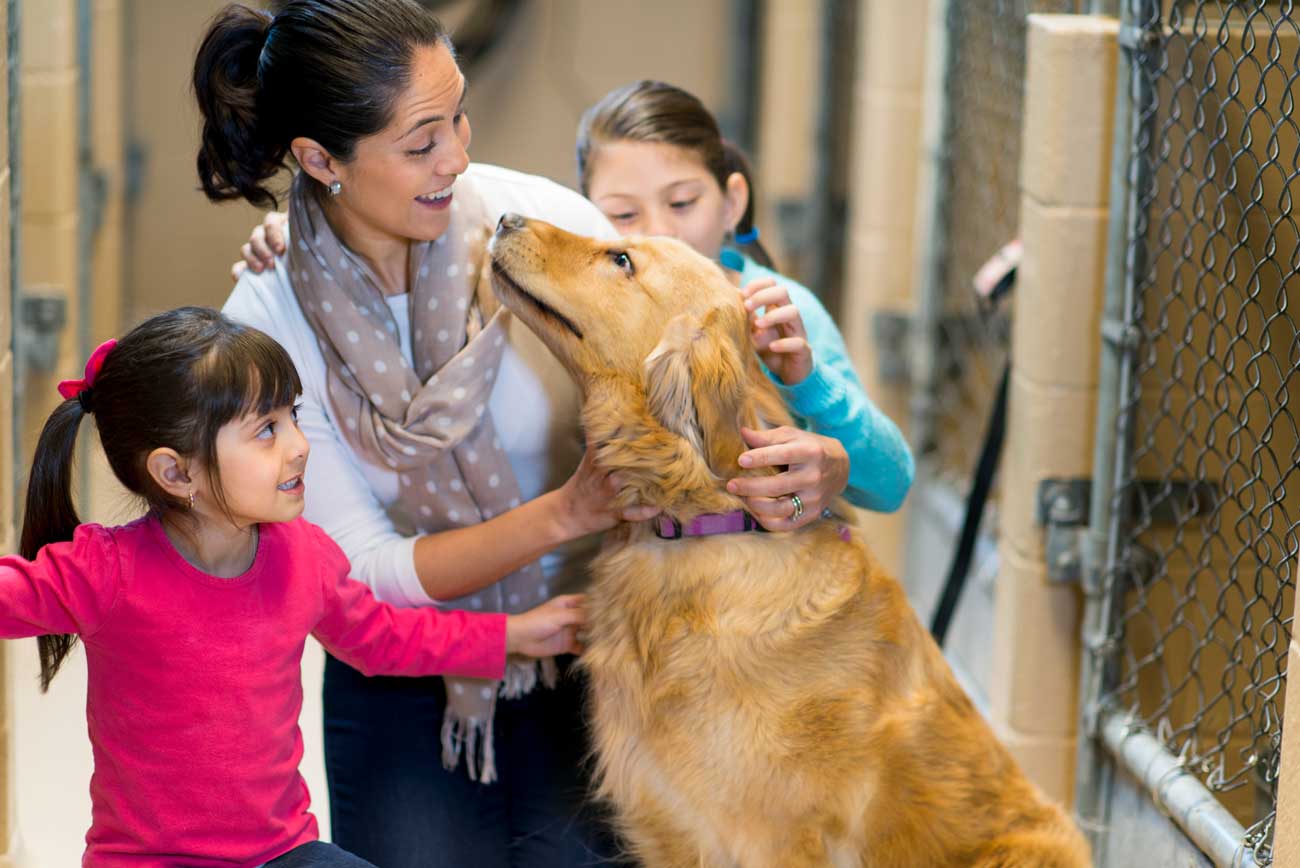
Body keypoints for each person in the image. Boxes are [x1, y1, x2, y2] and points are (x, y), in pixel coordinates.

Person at [206, 3, 909, 865]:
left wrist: (825, 460)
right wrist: (567, 512)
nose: (457, 157)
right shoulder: (269, 315)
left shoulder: (536, 221)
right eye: (420, 142)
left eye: (457, 116)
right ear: (321, 160)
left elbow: (698, 398)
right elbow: (362, 573)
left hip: (600, 645)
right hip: (409, 669)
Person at [1, 306, 584, 867]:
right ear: (177, 473)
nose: (299, 444)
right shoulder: (107, 570)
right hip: (148, 861)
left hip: (282, 855)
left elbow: (383, 638)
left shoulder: (305, 556)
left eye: (293, 417)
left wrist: (513, 635)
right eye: (266, 431)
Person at [235, 80, 914, 524]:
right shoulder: (561, 306)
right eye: (622, 218)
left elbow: (890, 484)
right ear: (583, 215)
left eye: (684, 202)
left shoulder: (772, 313)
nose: (661, 233)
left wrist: (821, 426)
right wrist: (314, 227)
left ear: (732, 200)